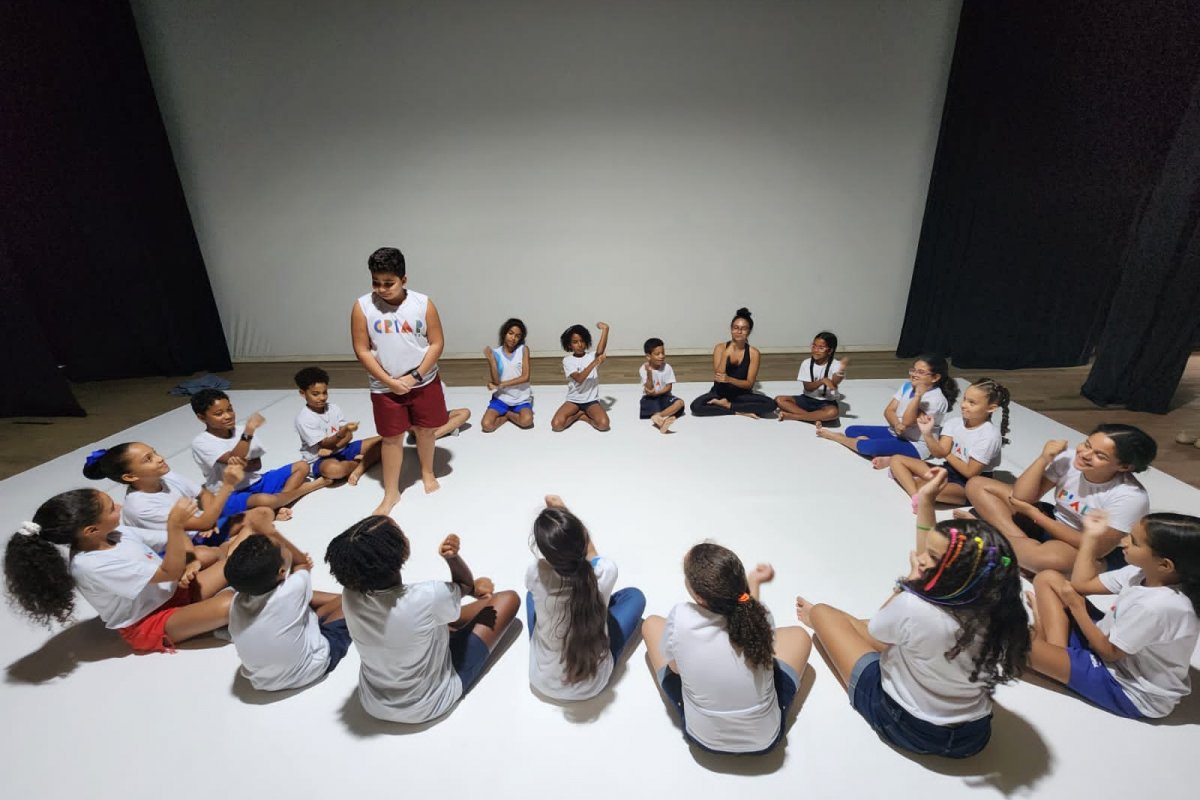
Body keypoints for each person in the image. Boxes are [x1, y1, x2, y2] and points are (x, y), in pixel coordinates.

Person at [795, 470, 1030, 758]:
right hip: (973, 735)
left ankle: (821, 621)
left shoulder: (914, 606)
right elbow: (937, 553)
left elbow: (876, 632)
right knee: (877, 628)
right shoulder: (995, 605)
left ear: (949, 574)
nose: (920, 558)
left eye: (929, 558)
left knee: (824, 613)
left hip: (905, 724)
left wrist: (908, 583)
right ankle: (848, 628)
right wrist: (927, 501)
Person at [325, 516, 520, 723]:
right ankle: (451, 624)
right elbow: (464, 584)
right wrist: (452, 559)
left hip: (374, 703)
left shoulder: (349, 595)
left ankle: (448, 621)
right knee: (508, 599)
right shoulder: (427, 596)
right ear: (401, 552)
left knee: (433, 616)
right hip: (430, 704)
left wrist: (470, 589)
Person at [4, 490, 235, 652]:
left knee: (227, 561)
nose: (120, 507)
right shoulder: (90, 565)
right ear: (91, 529)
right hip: (150, 621)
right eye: (111, 508)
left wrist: (191, 561)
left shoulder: (116, 534)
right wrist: (175, 524)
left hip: (171, 593)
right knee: (228, 603)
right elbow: (170, 571)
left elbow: (175, 544)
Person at [642, 543, 812, 754]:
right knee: (799, 636)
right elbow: (750, 609)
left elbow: (675, 669)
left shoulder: (681, 619)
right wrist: (754, 583)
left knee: (650, 624)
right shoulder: (761, 615)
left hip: (703, 739)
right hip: (765, 740)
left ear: (699, 597)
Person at [1029, 510, 1200, 719]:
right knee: (1048, 578)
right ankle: (1056, 654)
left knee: (1011, 642)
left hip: (1127, 685)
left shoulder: (1160, 606)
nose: (1124, 541)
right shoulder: (1141, 572)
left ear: (1164, 565)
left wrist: (1077, 608)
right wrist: (1091, 536)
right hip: (1108, 640)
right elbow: (1081, 585)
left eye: (1135, 542)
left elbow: (1109, 653)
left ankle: (1051, 652)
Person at [963, 423, 1156, 574]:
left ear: (1124, 467)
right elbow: (1022, 497)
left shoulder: (1130, 496)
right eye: (1087, 444)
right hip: (1052, 520)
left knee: (1048, 560)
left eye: (1100, 455)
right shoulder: (1069, 459)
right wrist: (1043, 459)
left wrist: (1037, 516)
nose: (1085, 454)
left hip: (1083, 547)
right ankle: (1018, 545)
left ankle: (989, 537)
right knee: (977, 485)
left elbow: (1096, 549)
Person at [350, 246, 451, 514]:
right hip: (385, 386)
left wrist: (415, 375)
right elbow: (361, 349)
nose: (382, 289)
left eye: (389, 283)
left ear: (404, 279)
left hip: (424, 381)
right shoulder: (362, 307)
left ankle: (427, 472)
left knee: (425, 430)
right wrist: (389, 381)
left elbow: (437, 342)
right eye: (376, 283)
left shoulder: (423, 303)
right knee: (391, 437)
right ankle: (391, 492)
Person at [526, 495, 646, 701]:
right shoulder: (605, 572)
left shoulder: (536, 574)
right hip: (591, 685)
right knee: (635, 596)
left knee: (532, 596)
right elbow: (591, 552)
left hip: (542, 681)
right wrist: (566, 513)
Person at [84, 442, 277, 553]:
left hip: (204, 527)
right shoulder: (139, 505)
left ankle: (231, 546)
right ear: (130, 477)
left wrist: (211, 520)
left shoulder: (166, 475)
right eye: (148, 459)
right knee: (204, 555)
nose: (159, 458)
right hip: (180, 547)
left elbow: (204, 494)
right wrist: (226, 486)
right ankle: (229, 551)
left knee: (263, 513)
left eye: (154, 452)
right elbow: (199, 525)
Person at [225, 532, 352, 692]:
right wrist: (269, 530)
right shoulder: (293, 588)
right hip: (311, 670)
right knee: (354, 599)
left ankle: (317, 618)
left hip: (263, 683)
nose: (284, 545)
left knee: (304, 603)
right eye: (282, 546)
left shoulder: (236, 602)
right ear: (281, 572)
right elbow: (302, 563)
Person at [190, 389, 327, 523]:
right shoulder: (202, 442)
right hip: (229, 494)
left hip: (256, 481)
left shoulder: (241, 430)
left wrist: (242, 461)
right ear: (202, 417)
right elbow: (235, 461)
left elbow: (256, 465)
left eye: (230, 409)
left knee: (302, 466)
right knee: (265, 500)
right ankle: (307, 488)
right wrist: (248, 433)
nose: (228, 416)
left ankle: (277, 506)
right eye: (219, 414)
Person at [882, 377, 1011, 507]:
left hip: (971, 484)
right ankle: (915, 495)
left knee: (929, 489)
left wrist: (946, 453)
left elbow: (970, 472)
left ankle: (911, 481)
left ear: (991, 408)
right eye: (965, 399)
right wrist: (927, 433)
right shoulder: (954, 423)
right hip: (948, 470)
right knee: (896, 459)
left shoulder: (989, 435)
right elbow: (939, 453)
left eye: (972, 403)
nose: (964, 405)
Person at [817, 354, 957, 458]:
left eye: (920, 372)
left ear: (935, 377)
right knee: (852, 430)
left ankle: (838, 438)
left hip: (916, 443)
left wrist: (917, 396)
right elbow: (889, 410)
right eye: (913, 370)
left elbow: (908, 422)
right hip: (896, 432)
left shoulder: (936, 399)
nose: (914, 375)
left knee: (868, 446)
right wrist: (896, 424)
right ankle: (880, 450)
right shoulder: (907, 386)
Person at [293, 366, 382, 483]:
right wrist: (343, 431)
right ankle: (359, 463)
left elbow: (348, 436)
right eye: (316, 394)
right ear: (302, 393)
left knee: (387, 441)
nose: (322, 398)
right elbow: (325, 443)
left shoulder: (333, 408)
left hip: (342, 449)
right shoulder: (304, 418)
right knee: (335, 470)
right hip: (320, 459)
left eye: (324, 393)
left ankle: (358, 468)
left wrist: (338, 444)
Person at [690, 308, 777, 418]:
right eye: (735, 328)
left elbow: (749, 384)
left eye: (743, 329)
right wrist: (726, 354)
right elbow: (718, 376)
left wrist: (729, 379)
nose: (739, 331)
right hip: (719, 393)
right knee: (696, 407)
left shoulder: (754, 353)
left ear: (749, 331)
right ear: (731, 329)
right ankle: (738, 411)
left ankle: (728, 405)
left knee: (771, 405)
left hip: (741, 395)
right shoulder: (720, 348)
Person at [775, 331, 846, 424]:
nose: (816, 350)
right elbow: (808, 388)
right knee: (779, 400)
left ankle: (794, 416)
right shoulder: (806, 363)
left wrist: (840, 372)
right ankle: (815, 418)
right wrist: (822, 381)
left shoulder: (836, 364)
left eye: (821, 348)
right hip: (807, 399)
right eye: (814, 346)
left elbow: (835, 382)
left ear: (830, 350)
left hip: (826, 402)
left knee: (833, 412)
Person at [551, 322, 611, 432]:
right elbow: (579, 379)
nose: (580, 345)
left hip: (591, 401)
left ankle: (584, 417)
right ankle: (578, 415)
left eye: (582, 341)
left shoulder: (591, 356)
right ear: (569, 345)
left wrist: (605, 329)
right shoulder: (567, 360)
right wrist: (595, 363)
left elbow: (600, 351)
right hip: (573, 401)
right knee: (556, 425)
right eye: (575, 342)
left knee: (604, 425)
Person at [482, 317, 534, 432]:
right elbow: (496, 381)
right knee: (487, 425)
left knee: (527, 421)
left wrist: (501, 385)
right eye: (510, 333)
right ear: (504, 333)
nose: (513, 338)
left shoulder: (523, 350)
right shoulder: (496, 353)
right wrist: (491, 360)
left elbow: (525, 377)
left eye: (517, 336)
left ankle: (507, 415)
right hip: (501, 399)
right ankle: (508, 416)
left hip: (521, 399)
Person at [639, 337, 685, 434]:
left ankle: (658, 416)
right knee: (650, 405)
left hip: (664, 397)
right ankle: (661, 421)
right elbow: (649, 389)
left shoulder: (667, 367)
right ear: (648, 356)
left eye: (663, 353)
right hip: (649, 398)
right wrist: (649, 373)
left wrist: (657, 393)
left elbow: (669, 387)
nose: (661, 356)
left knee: (680, 403)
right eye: (657, 354)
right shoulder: (643, 369)